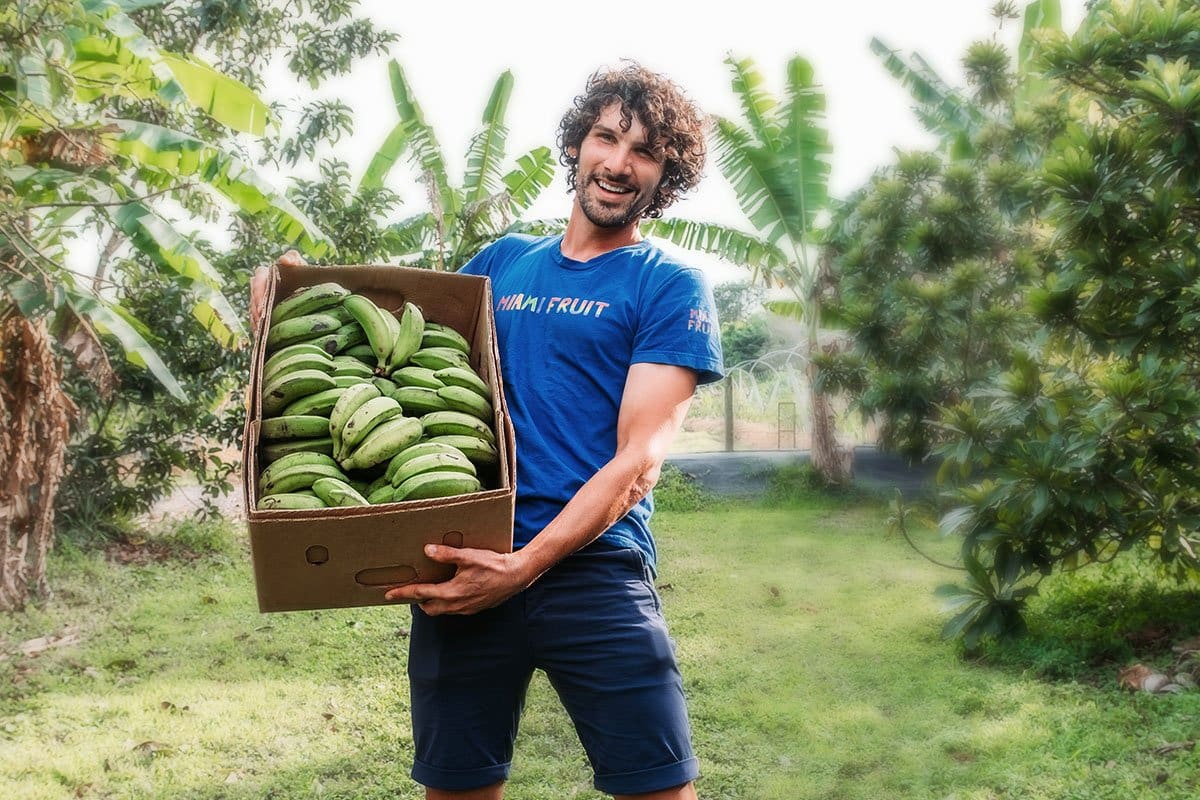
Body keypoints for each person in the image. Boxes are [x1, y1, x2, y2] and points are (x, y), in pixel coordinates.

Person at [253, 61, 723, 800]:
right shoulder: (503, 263)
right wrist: (288, 291)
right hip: (463, 565)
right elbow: (400, 342)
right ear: (578, 147)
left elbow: (640, 459)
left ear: (666, 177)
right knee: (458, 791)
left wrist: (527, 564)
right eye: (607, 137)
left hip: (593, 573)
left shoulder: (665, 284)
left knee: (659, 789)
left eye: (645, 153)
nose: (618, 164)